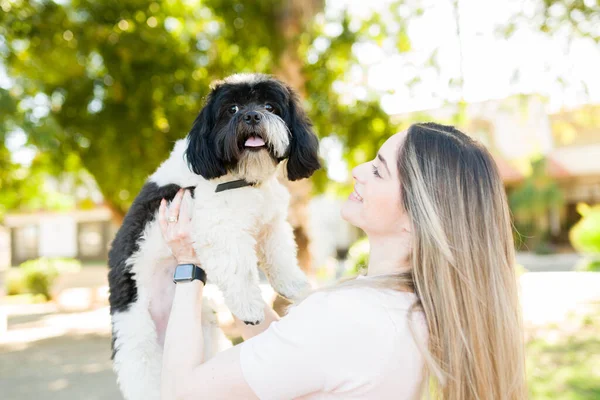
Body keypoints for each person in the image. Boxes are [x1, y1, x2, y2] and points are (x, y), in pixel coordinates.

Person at [158, 122, 527, 400]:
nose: (358, 170)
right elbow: (289, 349)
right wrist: (234, 258)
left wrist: (189, 266)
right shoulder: (418, 308)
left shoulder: (346, 315)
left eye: (379, 169)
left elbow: (181, 389)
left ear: (417, 220)